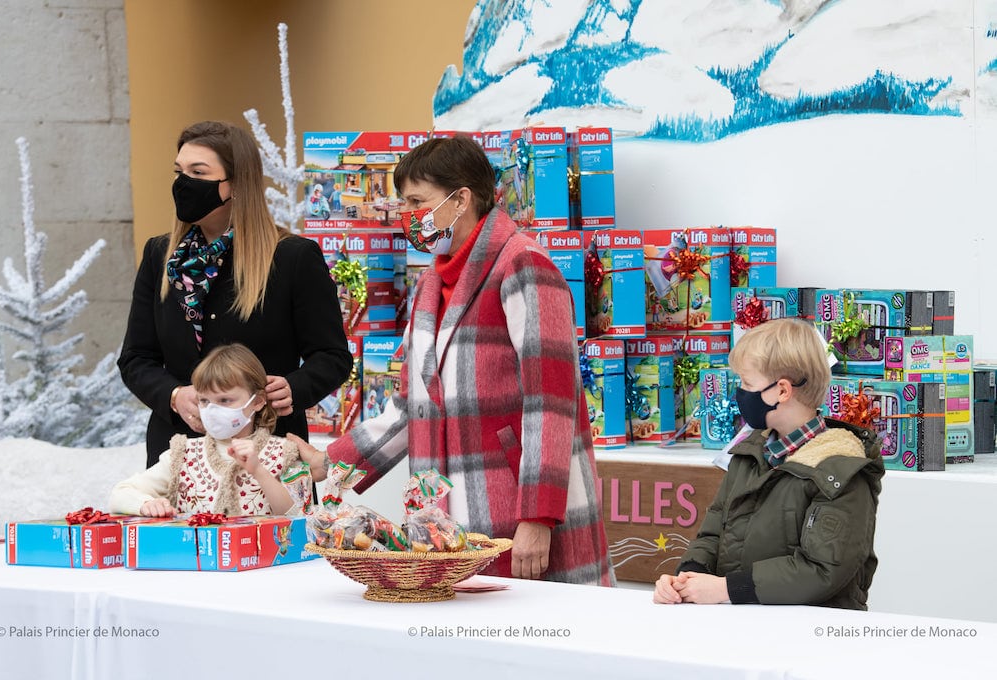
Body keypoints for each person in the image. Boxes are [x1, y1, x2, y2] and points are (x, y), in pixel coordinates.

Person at [303, 135, 614, 585]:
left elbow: (552, 401)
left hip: (520, 514)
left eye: (416, 201)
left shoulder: (524, 264)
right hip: (446, 522)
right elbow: (413, 407)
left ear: (460, 198)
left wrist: (539, 517)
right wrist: (330, 464)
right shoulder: (432, 284)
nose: (407, 216)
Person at [118, 121, 352, 467]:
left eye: (198, 172)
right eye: (179, 171)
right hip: (180, 453)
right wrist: (173, 395)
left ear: (237, 184)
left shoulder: (291, 257)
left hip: (267, 454)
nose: (184, 183)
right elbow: (136, 357)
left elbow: (332, 356)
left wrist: (295, 387)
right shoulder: (160, 255)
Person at [654, 318, 883, 609]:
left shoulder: (840, 471)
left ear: (783, 391)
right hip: (745, 627)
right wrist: (689, 578)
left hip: (810, 638)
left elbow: (823, 570)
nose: (740, 392)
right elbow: (713, 533)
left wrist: (727, 588)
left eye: (747, 383)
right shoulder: (750, 454)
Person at [110, 343, 324, 517]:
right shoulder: (183, 454)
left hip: (263, 568)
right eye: (204, 400)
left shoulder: (284, 453)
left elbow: (298, 513)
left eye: (225, 400)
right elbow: (120, 494)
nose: (212, 410)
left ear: (257, 401)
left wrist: (259, 471)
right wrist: (146, 504)